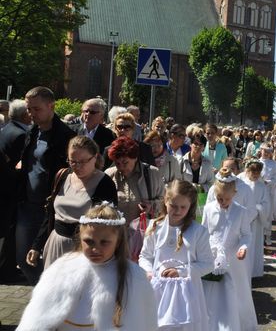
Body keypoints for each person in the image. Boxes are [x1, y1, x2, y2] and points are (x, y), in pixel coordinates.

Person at [16, 203, 157, 330]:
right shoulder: (62, 269)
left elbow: (143, 322)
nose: (95, 249)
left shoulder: (134, 278)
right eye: (89, 241)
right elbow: (36, 319)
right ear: (80, 238)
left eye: (104, 242)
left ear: (118, 241)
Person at [27, 136, 117, 270]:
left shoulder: (105, 183)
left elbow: (108, 224)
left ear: (95, 157)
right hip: (56, 245)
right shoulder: (62, 176)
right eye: (73, 161)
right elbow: (51, 214)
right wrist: (36, 245)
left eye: (83, 161)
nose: (77, 166)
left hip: (85, 249)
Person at [16, 86, 76, 285]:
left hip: (51, 208)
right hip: (27, 204)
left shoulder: (65, 136)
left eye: (36, 109)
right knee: (23, 258)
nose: (31, 113)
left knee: (51, 259)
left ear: (51, 106)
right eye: (29, 109)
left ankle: (51, 297)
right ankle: (47, 293)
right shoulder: (32, 131)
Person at [139, 180, 213, 330]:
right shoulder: (154, 226)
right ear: (166, 201)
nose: (178, 211)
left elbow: (208, 264)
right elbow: (145, 256)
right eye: (173, 205)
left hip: (187, 294)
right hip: (158, 290)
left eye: (183, 207)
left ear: (190, 206)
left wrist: (181, 271)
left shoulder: (199, 232)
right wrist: (149, 272)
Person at [202, 168, 257, 330]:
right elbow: (204, 231)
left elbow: (246, 234)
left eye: (226, 198)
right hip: (212, 257)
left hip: (233, 258)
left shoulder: (241, 211)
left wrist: (243, 247)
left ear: (234, 193)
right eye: (219, 198)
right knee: (211, 292)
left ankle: (237, 323)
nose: (223, 201)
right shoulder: (208, 209)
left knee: (235, 293)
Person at [0, 99, 31, 282]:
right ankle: (7, 270)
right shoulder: (21, 135)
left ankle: (7, 267)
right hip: (12, 190)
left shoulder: (6, 129)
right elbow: (21, 166)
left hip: (5, 190)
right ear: (24, 114)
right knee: (10, 232)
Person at [105, 136, 164, 222]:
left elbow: (165, 201)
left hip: (144, 231)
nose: (121, 167)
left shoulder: (153, 173)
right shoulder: (109, 175)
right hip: (116, 232)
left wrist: (151, 206)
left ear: (135, 158)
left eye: (125, 162)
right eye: (117, 163)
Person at [238, 160, 269, 278]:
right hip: (243, 219)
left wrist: (258, 210)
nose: (255, 174)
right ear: (247, 171)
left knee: (254, 245)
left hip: (256, 220)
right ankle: (242, 271)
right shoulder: (242, 185)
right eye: (253, 172)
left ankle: (253, 271)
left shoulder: (262, 187)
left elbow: (266, 203)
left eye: (258, 172)